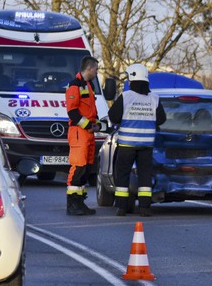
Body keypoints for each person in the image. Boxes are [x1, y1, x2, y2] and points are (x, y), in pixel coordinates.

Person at [108, 63, 166, 217]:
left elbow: (113, 116)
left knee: (123, 175)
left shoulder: (126, 97)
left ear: (132, 79)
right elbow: (162, 119)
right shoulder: (154, 98)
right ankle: (145, 208)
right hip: (146, 145)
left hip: (127, 144)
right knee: (145, 175)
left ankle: (121, 207)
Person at [65, 56, 105, 216]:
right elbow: (72, 112)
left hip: (88, 133)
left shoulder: (87, 85)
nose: (97, 72)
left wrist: (97, 125)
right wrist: (89, 125)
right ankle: (72, 204)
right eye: (96, 69)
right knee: (78, 167)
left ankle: (80, 203)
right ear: (89, 68)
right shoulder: (75, 85)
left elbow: (90, 110)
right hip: (79, 132)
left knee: (87, 168)